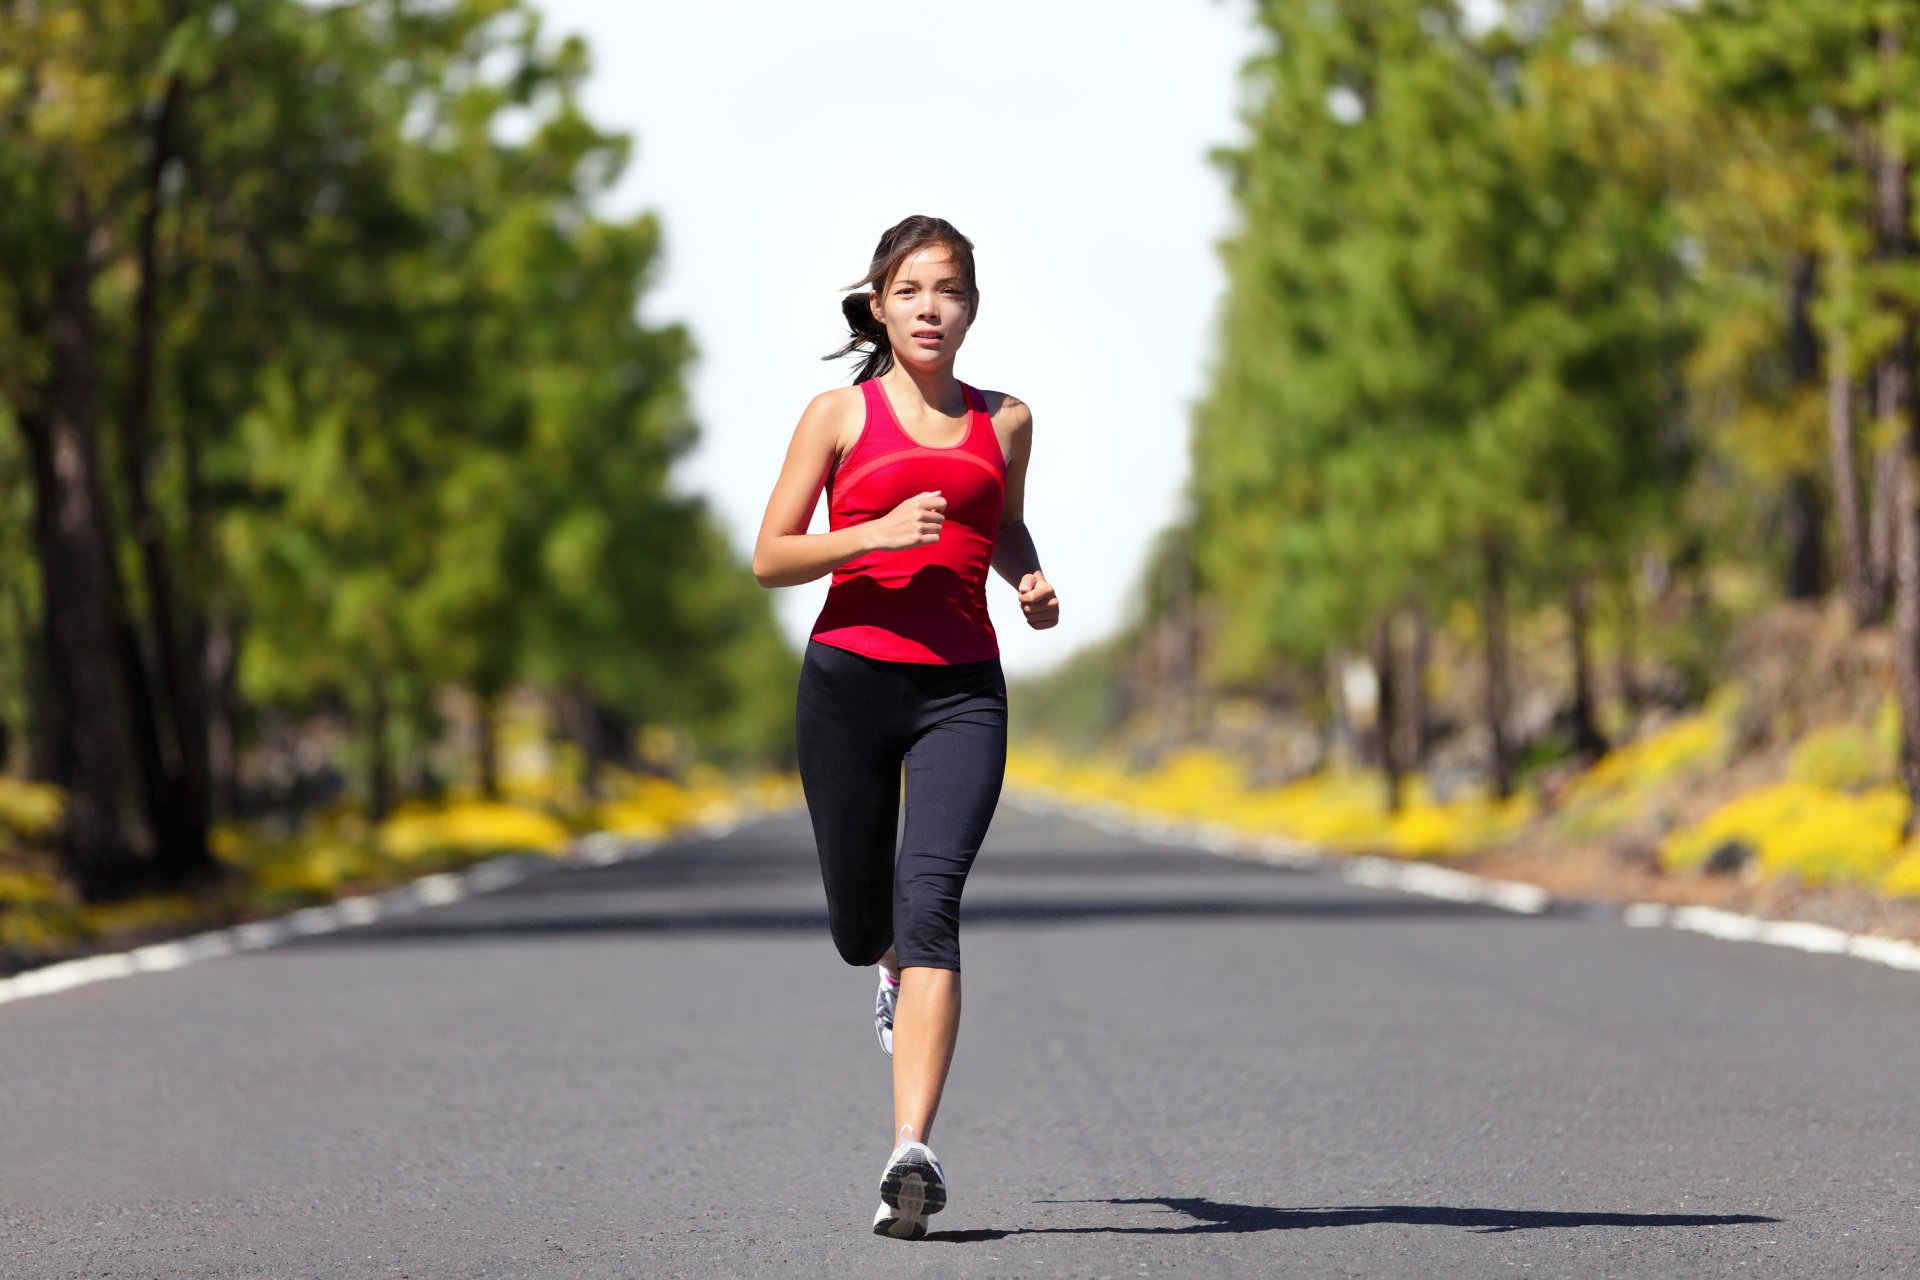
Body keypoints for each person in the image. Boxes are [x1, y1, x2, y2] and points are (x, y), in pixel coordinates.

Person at [752, 214, 1060, 1239]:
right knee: (860, 922)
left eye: (954, 290)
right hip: (846, 683)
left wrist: (1025, 572)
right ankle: (881, 966)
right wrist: (872, 534)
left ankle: (909, 1153)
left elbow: (1000, 513)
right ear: (880, 305)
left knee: (933, 901)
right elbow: (772, 554)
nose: (934, 309)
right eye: (914, 290)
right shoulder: (838, 414)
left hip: (962, 690)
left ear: (974, 306)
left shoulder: (1005, 418)